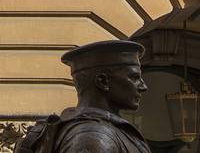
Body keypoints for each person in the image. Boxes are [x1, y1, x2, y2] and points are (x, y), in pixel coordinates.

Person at [16, 40, 153, 153]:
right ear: (103, 81)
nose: (143, 86)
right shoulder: (96, 137)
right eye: (134, 77)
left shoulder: (102, 131)